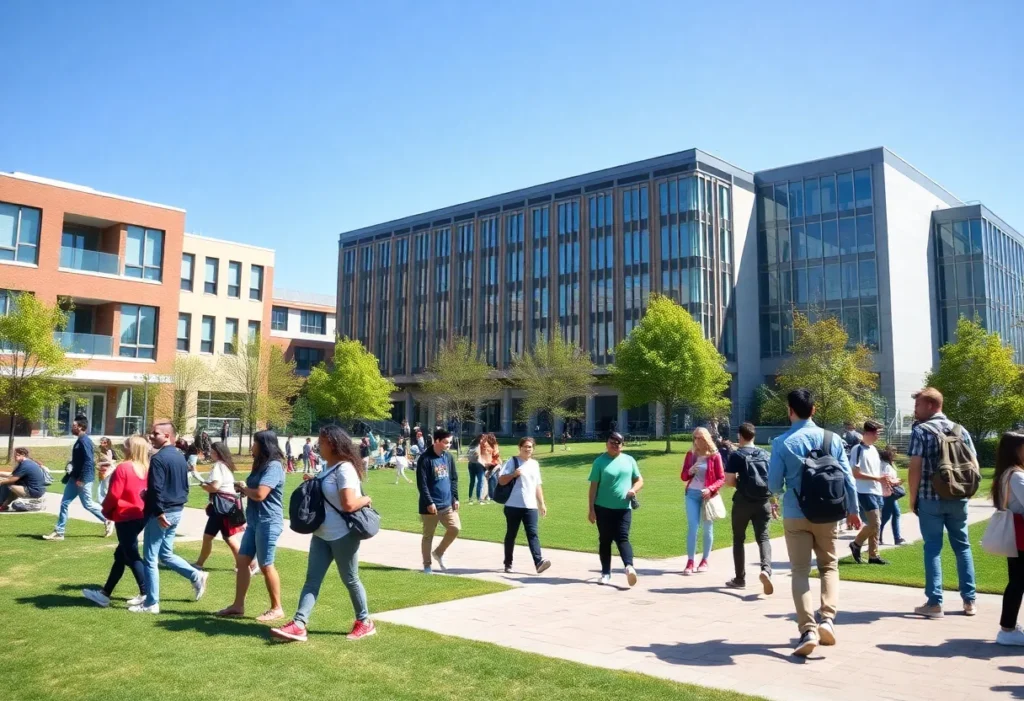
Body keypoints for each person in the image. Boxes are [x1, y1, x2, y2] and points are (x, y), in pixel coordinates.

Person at [767, 389, 860, 657]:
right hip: (829, 512)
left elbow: (773, 483)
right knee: (829, 566)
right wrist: (853, 509)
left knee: (799, 570)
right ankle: (827, 619)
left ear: (790, 410)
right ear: (814, 409)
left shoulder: (782, 442)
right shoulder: (832, 439)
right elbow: (847, 478)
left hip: (796, 512)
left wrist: (786, 488)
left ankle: (807, 629)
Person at [271, 426, 376, 642]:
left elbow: (348, 505)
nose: (319, 445)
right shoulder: (328, 466)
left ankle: (365, 622)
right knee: (312, 581)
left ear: (333, 444)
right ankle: (299, 624)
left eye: (322, 441)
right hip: (321, 533)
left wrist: (366, 500)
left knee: (350, 579)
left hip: (343, 535)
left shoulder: (345, 469)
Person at [907, 387, 978, 619]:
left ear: (930, 405)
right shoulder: (960, 429)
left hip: (930, 498)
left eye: (918, 405)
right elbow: (974, 464)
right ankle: (969, 601)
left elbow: (915, 466)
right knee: (963, 547)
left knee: (933, 549)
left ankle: (935, 602)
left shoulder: (921, 431)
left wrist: (913, 497)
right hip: (958, 497)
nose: (915, 410)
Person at [130, 420, 209, 614]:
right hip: (176, 510)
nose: (150, 436)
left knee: (150, 558)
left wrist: (158, 512)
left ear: (167, 436)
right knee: (165, 554)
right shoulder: (180, 456)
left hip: (163, 513)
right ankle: (195, 575)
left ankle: (151, 603)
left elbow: (157, 489)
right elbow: (179, 486)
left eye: (155, 433)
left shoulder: (159, 458)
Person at [216, 430, 286, 621]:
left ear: (264, 445)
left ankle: (276, 608)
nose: (251, 447)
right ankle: (238, 606)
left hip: (268, 521)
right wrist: (245, 488)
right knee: (242, 561)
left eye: (254, 443)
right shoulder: (260, 464)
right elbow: (256, 492)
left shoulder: (273, 466)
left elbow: (261, 494)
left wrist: (244, 488)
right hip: (255, 521)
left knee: (266, 565)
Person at [82, 436, 150, 608]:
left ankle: (146, 592)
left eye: (126, 445)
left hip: (125, 515)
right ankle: (105, 593)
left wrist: (106, 511)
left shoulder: (124, 468)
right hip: (141, 515)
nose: (123, 448)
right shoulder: (147, 468)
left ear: (131, 449)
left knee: (131, 554)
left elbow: (114, 494)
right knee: (121, 555)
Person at [193, 442, 259, 576]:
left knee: (217, 537)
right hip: (226, 506)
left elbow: (215, 487)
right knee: (223, 537)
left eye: (211, 451)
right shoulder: (226, 466)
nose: (209, 453)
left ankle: (249, 564)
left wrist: (203, 485)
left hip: (221, 508)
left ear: (217, 453)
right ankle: (247, 563)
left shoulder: (218, 466)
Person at [723, 422, 775, 594]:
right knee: (763, 537)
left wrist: (742, 483)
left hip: (743, 502)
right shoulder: (765, 454)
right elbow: (772, 481)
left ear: (740, 436)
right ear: (754, 435)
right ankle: (766, 569)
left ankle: (740, 578)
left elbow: (729, 481)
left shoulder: (737, 456)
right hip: (763, 501)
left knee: (739, 539)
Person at [45, 416, 113, 541]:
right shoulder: (80, 440)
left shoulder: (84, 441)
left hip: (83, 479)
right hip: (74, 478)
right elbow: (81, 460)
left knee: (87, 504)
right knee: (64, 503)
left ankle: (107, 518)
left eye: (74, 425)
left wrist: (82, 479)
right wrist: (71, 464)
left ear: (81, 427)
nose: (72, 427)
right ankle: (59, 532)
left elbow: (89, 461)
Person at [587, 432, 642, 586]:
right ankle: (605, 573)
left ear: (622, 445)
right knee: (605, 540)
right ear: (607, 443)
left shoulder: (629, 460)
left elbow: (639, 480)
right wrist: (591, 509)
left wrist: (633, 490)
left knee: (622, 537)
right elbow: (593, 488)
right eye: (612, 442)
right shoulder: (599, 462)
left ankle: (629, 567)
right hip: (602, 507)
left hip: (623, 507)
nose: (615, 445)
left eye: (618, 443)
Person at [498, 437, 551, 574]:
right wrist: (513, 474)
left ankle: (538, 562)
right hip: (513, 505)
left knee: (533, 534)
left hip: (530, 506)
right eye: (525, 446)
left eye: (530, 447)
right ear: (519, 447)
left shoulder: (535, 464)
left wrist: (542, 503)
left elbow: (537, 485)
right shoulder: (512, 461)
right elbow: (501, 480)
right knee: (511, 534)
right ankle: (508, 563)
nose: (527, 449)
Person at [991, 432, 1024, 646]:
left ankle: (1008, 627)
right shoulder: (1016, 475)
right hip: (1020, 533)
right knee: (1017, 582)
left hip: (1017, 534)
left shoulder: (1008, 473)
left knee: (1017, 581)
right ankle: (1007, 629)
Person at [680, 427, 725, 575]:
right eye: (695, 438)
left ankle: (705, 560)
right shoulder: (691, 455)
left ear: (706, 439)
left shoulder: (714, 456)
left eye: (699, 438)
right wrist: (690, 471)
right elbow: (683, 476)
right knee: (693, 527)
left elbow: (721, 478)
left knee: (707, 528)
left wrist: (710, 489)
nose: (696, 441)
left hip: (707, 497)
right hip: (692, 494)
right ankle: (690, 561)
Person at [416, 428, 460, 574]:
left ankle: (439, 552)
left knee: (455, 528)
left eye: (450, 443)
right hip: (430, 505)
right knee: (428, 535)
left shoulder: (448, 457)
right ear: (437, 441)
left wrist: (455, 497)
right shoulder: (425, 459)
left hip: (447, 503)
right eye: (446, 442)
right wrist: (429, 502)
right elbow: (422, 484)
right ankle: (427, 565)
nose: (449, 445)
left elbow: (453, 478)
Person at [849, 420, 890, 566]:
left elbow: (876, 471)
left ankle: (874, 555)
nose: (878, 437)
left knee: (877, 525)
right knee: (875, 522)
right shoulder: (857, 450)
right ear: (868, 433)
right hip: (864, 491)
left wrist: (885, 482)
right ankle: (856, 543)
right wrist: (877, 479)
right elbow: (855, 473)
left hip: (876, 490)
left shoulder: (873, 450)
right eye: (877, 433)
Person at [878, 448, 905, 545]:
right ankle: (877, 536)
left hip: (888, 494)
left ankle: (897, 538)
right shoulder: (886, 466)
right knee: (885, 517)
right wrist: (897, 481)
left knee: (896, 514)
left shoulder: (882, 464)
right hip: (889, 494)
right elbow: (887, 480)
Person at [479, 433, 501, 504]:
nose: (494, 438)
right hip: (486, 464)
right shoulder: (484, 444)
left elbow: (496, 454)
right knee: (488, 480)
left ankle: (492, 496)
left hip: (494, 464)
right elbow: (481, 443)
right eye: (493, 437)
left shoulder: (494, 445)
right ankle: (488, 496)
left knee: (494, 479)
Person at [96, 437, 115, 502]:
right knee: (101, 485)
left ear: (107, 443)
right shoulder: (100, 450)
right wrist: (98, 464)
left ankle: (106, 500)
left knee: (105, 486)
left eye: (104, 442)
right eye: (101, 442)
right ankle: (102, 500)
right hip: (102, 470)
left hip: (108, 471)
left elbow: (109, 462)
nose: (102, 443)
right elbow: (97, 460)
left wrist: (100, 463)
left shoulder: (109, 450)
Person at [467, 437, 485, 504]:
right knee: (480, 481)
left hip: (471, 464)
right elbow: (478, 456)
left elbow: (468, 456)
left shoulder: (471, 446)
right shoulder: (479, 446)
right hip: (478, 465)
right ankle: (479, 498)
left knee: (472, 481)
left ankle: (470, 498)